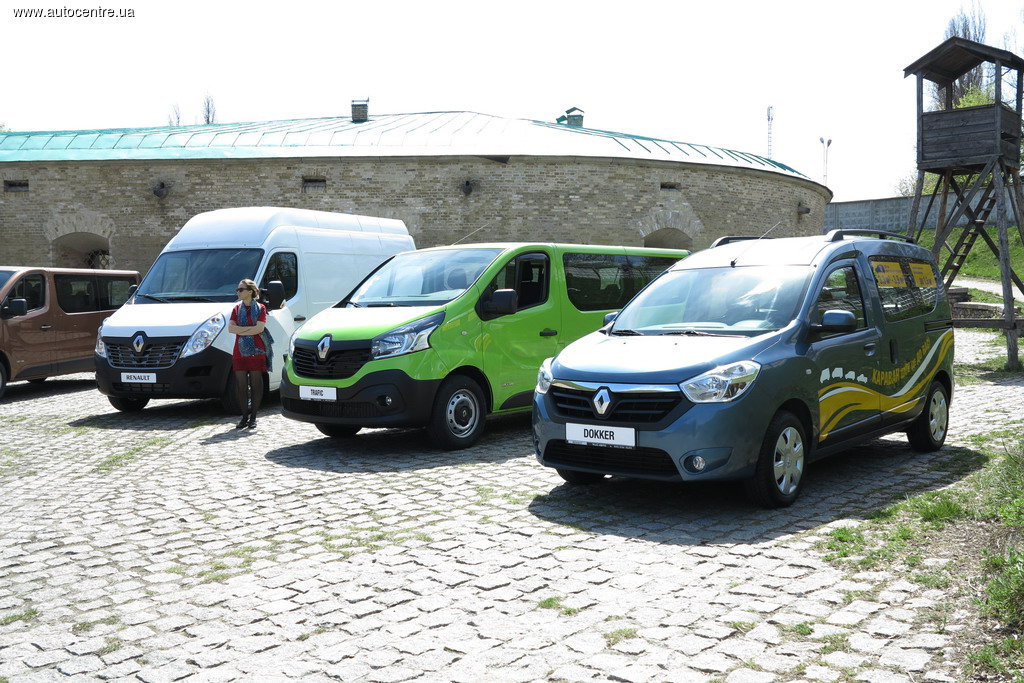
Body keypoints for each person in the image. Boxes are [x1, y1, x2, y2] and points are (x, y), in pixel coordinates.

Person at [228, 278, 268, 430]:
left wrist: (241, 330)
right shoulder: (236, 309)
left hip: (256, 350)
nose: (238, 292)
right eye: (237, 290)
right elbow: (231, 329)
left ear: (250, 291)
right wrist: (250, 330)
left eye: (241, 289)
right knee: (241, 385)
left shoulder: (261, 308)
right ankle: (244, 417)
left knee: (256, 384)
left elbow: (260, 329)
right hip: (239, 351)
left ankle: (253, 417)